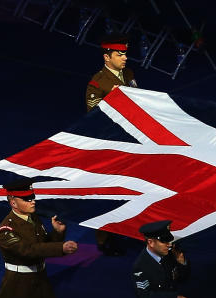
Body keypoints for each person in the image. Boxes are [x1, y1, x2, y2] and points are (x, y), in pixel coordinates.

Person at [85, 34, 138, 257]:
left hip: (131, 141)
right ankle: (104, 238)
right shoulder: (97, 83)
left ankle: (127, 227)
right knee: (108, 194)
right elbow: (93, 117)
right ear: (107, 57)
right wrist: (113, 100)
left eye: (125, 53)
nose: (124, 58)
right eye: (119, 54)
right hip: (109, 147)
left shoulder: (129, 74)